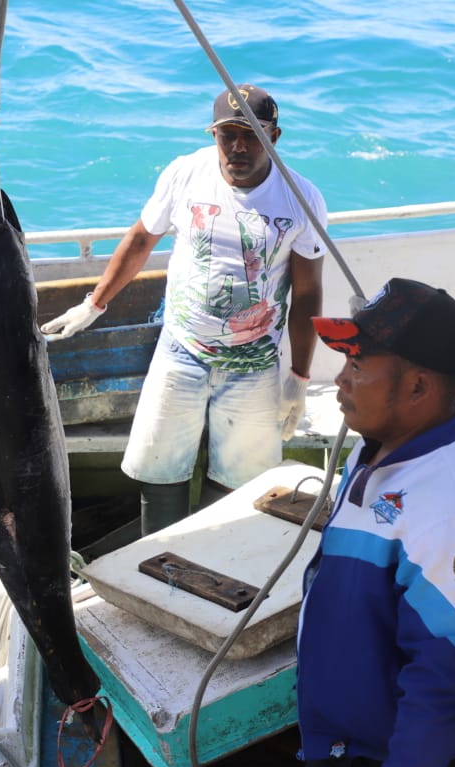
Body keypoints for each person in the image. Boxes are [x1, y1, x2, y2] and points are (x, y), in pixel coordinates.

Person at [40, 84, 325, 536]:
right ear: (213, 134)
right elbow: (140, 240)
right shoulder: (185, 173)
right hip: (182, 351)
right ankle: (156, 560)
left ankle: (215, 561)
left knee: (239, 483)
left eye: (252, 133)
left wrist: (301, 377)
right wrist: (93, 305)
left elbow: (307, 293)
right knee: (160, 470)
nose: (238, 146)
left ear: (275, 135)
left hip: (253, 363)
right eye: (227, 134)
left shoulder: (301, 197)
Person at [295, 278, 455, 767]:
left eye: (358, 367)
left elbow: (439, 684)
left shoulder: (452, 515)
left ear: (419, 388)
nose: (340, 381)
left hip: (393, 762)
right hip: (344, 742)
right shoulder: (382, 444)